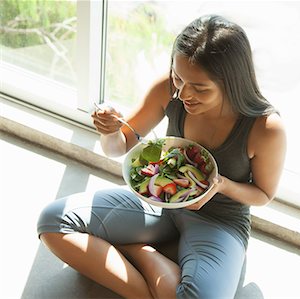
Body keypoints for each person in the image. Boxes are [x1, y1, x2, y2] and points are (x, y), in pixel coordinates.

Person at [37, 14, 286, 299]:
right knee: (53, 222)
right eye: (178, 78)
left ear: (232, 82)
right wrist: (110, 131)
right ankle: (143, 263)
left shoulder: (265, 128)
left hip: (220, 220)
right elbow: (119, 148)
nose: (183, 93)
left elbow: (263, 194)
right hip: (157, 203)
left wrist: (221, 186)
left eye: (200, 88)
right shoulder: (167, 89)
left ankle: (132, 250)